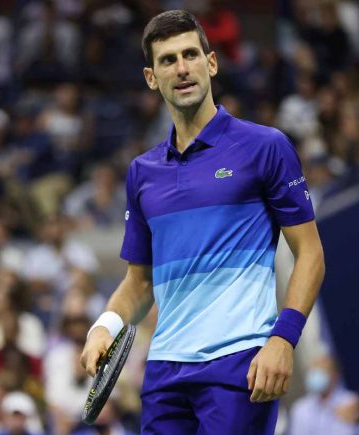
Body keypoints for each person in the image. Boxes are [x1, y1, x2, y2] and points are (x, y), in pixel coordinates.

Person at [80, 10, 325, 435]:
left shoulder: (266, 147)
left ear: (211, 63)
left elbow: (311, 254)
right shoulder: (142, 172)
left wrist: (283, 338)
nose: (182, 68)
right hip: (164, 372)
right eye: (168, 60)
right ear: (151, 78)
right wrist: (105, 325)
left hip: (239, 365)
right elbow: (140, 282)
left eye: (190, 54)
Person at [288, 354, 359, 435]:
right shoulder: (300, 408)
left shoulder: (351, 402)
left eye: (322, 371)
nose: (317, 376)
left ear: (335, 375)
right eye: (314, 371)